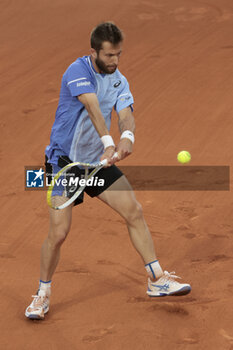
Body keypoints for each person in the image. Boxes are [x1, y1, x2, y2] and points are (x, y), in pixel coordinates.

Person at [25, 22, 191, 320]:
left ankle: (156, 279)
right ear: (94, 52)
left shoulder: (119, 80)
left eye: (119, 54)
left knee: (134, 211)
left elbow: (125, 114)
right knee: (59, 233)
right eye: (110, 55)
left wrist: (128, 138)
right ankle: (42, 294)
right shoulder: (77, 72)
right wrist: (109, 142)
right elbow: (90, 106)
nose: (115, 61)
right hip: (66, 164)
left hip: (97, 164)